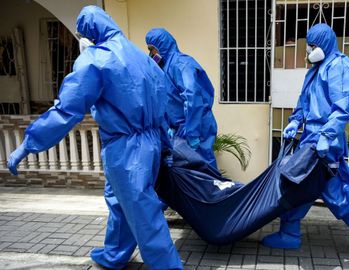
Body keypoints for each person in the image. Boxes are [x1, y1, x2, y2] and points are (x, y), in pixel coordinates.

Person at [7, 6, 183, 270]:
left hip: (124, 149)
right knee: (119, 202)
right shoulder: (142, 57)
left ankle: (169, 267)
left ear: (90, 30)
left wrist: (28, 143)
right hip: (150, 144)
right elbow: (165, 105)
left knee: (142, 211)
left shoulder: (95, 60)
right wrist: (166, 146)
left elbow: (67, 109)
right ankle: (114, 254)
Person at [261, 23, 349, 261]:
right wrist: (295, 121)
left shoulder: (339, 67)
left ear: (323, 44)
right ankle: (289, 233)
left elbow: (344, 108)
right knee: (298, 187)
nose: (309, 50)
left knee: (338, 197)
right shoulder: (315, 69)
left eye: (312, 46)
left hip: (326, 145)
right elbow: (304, 101)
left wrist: (326, 135)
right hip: (310, 141)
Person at [145, 28, 218, 169]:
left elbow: (193, 97)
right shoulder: (165, 68)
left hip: (196, 127)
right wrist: (169, 127)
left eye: (153, 49)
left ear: (162, 45)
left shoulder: (182, 64)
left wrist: (192, 132)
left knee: (205, 169)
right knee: (189, 175)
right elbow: (168, 100)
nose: (151, 54)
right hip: (181, 130)